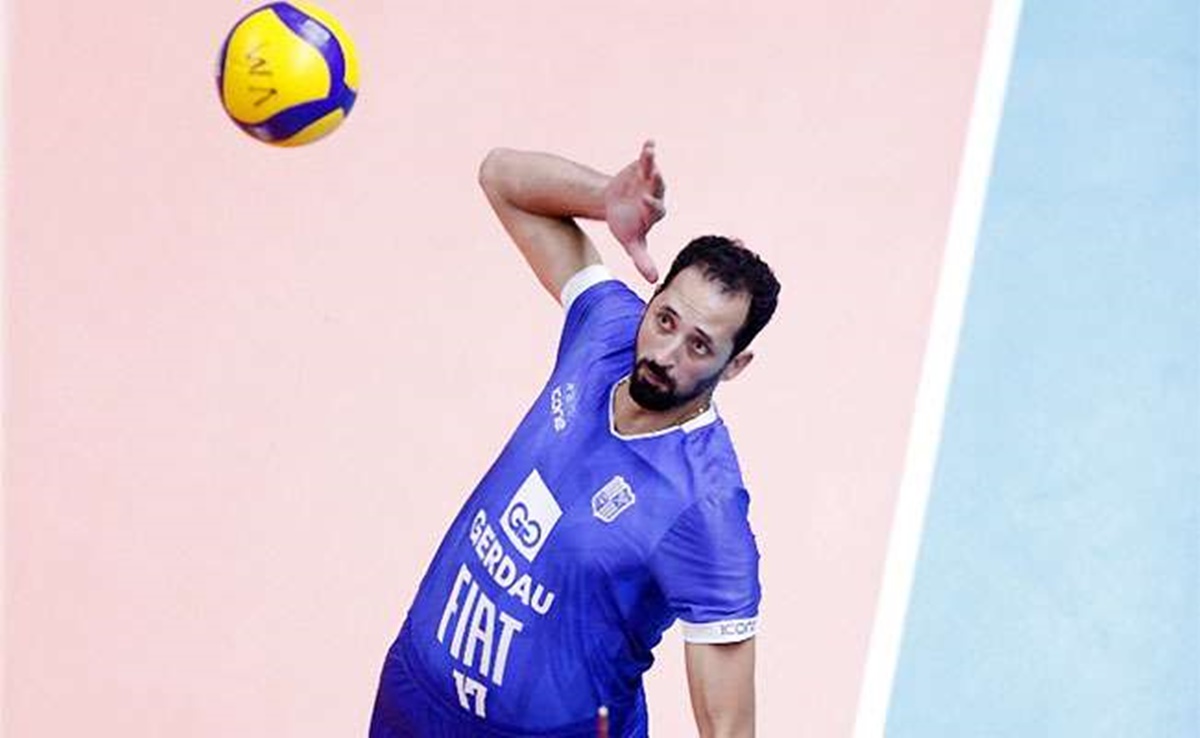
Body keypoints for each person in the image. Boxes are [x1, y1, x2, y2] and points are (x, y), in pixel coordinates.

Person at [369, 141, 780, 738]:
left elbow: (729, 729)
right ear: (652, 302)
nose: (665, 353)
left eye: (698, 345)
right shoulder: (605, 333)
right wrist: (603, 198)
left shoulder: (704, 508)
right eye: (665, 319)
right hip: (414, 697)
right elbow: (501, 178)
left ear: (734, 365)